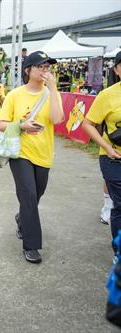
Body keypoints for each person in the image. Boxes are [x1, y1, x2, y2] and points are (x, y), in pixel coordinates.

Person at [0, 51, 64, 263]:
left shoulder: (52, 93)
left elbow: (57, 119)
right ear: (28, 70)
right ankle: (31, 245)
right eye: (41, 67)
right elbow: (0, 123)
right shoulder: (15, 95)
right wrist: (21, 125)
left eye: (48, 67)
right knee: (28, 195)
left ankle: (22, 219)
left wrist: (53, 88)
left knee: (35, 195)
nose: (45, 71)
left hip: (43, 152)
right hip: (20, 152)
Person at [83, 50, 121, 245]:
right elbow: (87, 124)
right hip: (114, 158)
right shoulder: (108, 95)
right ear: (116, 69)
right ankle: (119, 252)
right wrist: (106, 147)